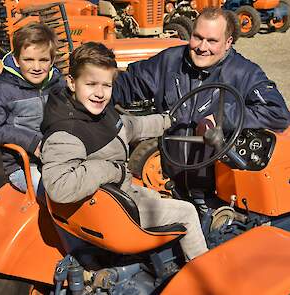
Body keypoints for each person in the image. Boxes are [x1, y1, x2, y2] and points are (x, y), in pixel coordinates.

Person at [40, 41, 208, 261]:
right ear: (72, 82)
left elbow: (128, 127)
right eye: (91, 84)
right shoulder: (67, 132)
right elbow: (59, 188)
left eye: (106, 86)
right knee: (187, 211)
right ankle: (204, 269)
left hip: (113, 199)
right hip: (111, 216)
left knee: (156, 194)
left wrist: (168, 120)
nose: (100, 93)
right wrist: (111, 170)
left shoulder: (90, 111)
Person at [111, 7, 290, 209]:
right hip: (172, 185)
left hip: (217, 194)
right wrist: (94, 94)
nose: (202, 47)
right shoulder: (169, 61)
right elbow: (127, 85)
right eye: (198, 37)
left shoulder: (244, 73)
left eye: (212, 41)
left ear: (228, 42)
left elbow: (278, 113)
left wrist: (222, 119)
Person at [0, 22, 65, 194]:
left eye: (43, 60)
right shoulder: (4, 90)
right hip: (23, 166)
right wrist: (31, 141)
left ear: (52, 60)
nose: (36, 67)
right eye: (28, 60)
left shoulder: (58, 84)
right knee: (50, 190)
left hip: (58, 157)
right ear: (17, 60)